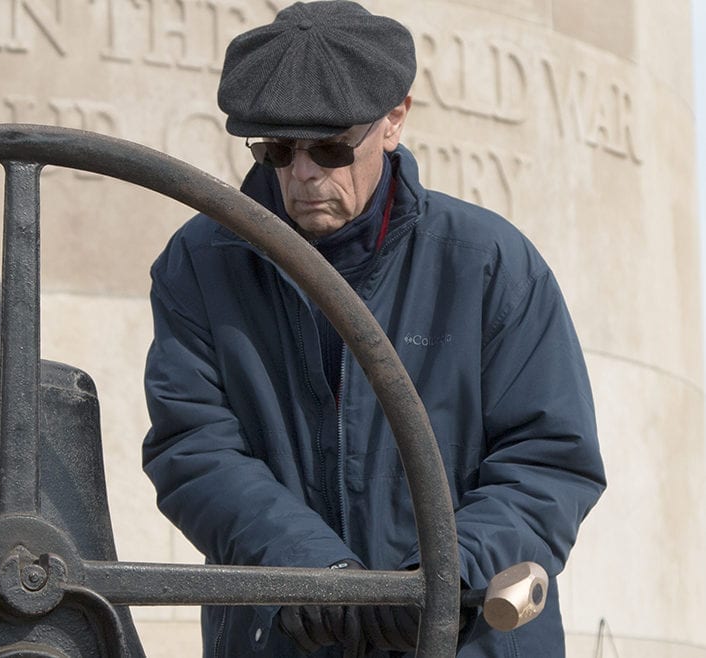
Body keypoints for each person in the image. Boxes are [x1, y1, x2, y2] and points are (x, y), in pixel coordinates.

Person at [140, 2, 607, 656]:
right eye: (276, 149)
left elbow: (548, 460)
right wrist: (306, 569)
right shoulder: (199, 263)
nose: (303, 173)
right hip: (286, 639)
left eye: (331, 147)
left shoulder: (490, 264)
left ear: (395, 119)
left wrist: (443, 579)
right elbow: (193, 447)